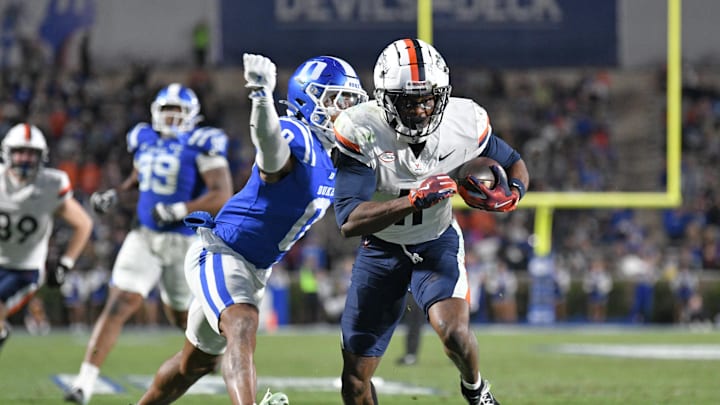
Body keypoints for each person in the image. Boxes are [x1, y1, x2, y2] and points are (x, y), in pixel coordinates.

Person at [136, 53, 368, 405]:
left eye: (350, 101)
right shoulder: (297, 133)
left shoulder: (335, 159)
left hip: (254, 268)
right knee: (242, 323)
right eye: (337, 99)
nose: (345, 110)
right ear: (308, 98)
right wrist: (261, 98)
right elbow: (270, 152)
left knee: (194, 364)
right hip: (221, 251)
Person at [332, 38, 530, 405]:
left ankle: (475, 389)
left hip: (436, 239)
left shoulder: (464, 120)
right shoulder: (362, 128)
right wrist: (412, 200)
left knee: (453, 331)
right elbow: (348, 219)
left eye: (428, 99)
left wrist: (513, 191)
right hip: (381, 248)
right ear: (385, 98)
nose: (421, 110)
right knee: (355, 380)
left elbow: (513, 159)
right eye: (409, 101)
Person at [64, 83, 233, 404]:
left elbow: (222, 194)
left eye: (177, 111)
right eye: (166, 111)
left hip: (185, 241)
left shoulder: (202, 143)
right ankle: (83, 384)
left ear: (191, 116)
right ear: (156, 113)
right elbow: (138, 180)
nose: (171, 118)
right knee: (120, 302)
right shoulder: (145, 139)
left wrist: (179, 209)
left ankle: (212, 358)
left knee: (183, 318)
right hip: (144, 234)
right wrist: (117, 194)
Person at [0, 123, 93, 353]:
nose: (24, 158)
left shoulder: (50, 185)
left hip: (24, 270)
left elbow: (83, 223)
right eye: (20, 152)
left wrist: (65, 263)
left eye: (31, 153)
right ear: (7, 152)